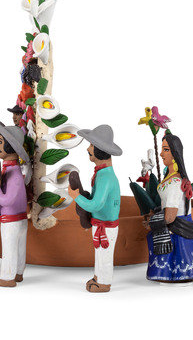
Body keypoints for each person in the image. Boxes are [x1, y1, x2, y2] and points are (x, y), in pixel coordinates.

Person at [68, 124, 122, 293]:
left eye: (91, 145)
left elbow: (96, 204)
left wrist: (76, 196)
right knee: (99, 253)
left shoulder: (106, 177)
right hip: (100, 223)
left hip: (106, 226)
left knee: (104, 255)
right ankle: (99, 277)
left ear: (100, 149)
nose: (88, 149)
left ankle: (104, 282)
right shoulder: (101, 174)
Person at [145, 133, 193, 283]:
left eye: (166, 150)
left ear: (175, 152)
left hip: (175, 226)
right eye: (162, 149)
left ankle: (172, 273)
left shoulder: (175, 183)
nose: (161, 154)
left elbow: (169, 217)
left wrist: (153, 221)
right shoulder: (170, 178)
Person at [0, 120, 29, 287]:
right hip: (20, 218)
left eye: (0, 142)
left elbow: (7, 200)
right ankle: (18, 272)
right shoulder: (13, 171)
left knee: (9, 248)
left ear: (10, 146)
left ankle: (7, 277)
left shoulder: (14, 174)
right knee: (19, 247)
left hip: (11, 219)